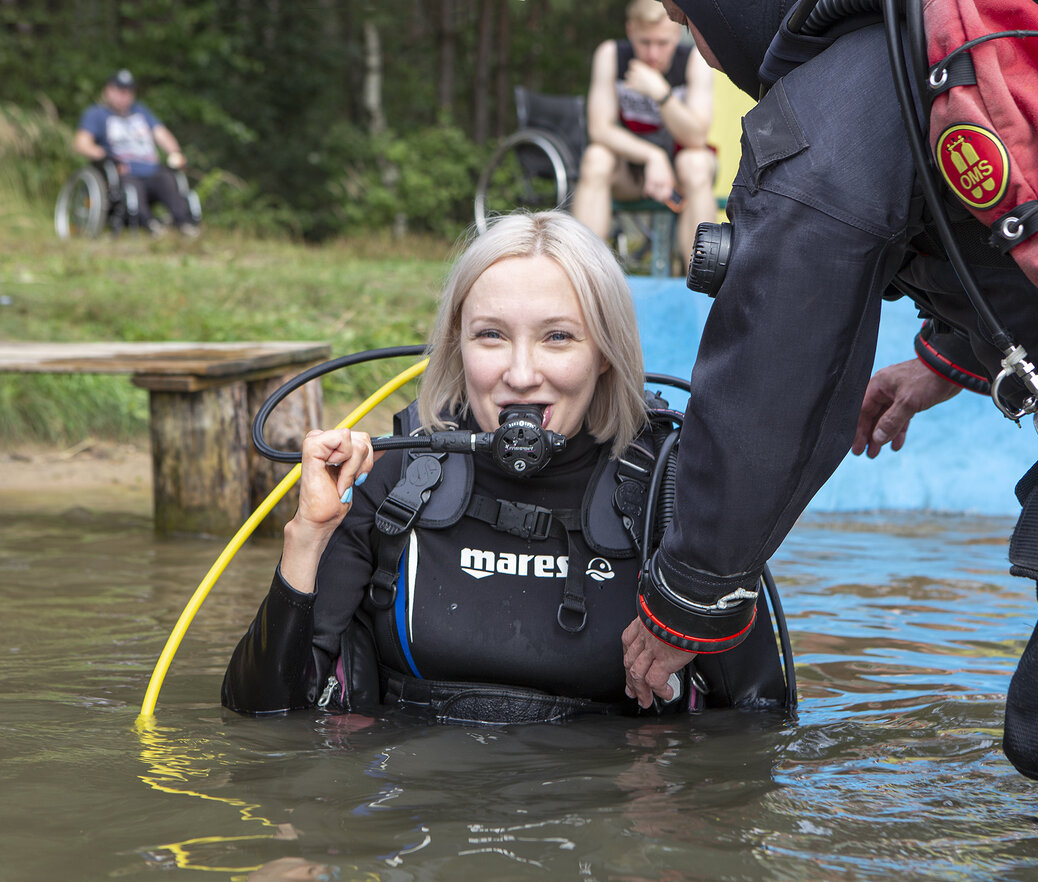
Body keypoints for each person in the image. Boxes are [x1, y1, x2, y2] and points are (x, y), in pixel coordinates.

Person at [619, 0, 1038, 845]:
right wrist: (945, 360)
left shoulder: (843, 95)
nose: (700, 54)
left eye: (688, 16)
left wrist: (691, 597)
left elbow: (776, 368)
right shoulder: (940, 40)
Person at [222, 210, 787, 724]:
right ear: (457, 346)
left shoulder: (673, 495)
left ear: (606, 354)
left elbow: (759, 725)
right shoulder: (402, 478)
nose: (520, 374)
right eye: (491, 335)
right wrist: (307, 535)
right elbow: (262, 716)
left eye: (557, 337)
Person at [572, 0, 718, 271]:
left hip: (681, 177)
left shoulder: (694, 60)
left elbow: (697, 136)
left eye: (662, 43)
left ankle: (700, 283)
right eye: (644, 42)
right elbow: (599, 129)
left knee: (695, 163)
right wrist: (652, 156)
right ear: (630, 30)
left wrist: (661, 93)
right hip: (631, 173)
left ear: (677, 32)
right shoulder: (611, 54)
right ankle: (582, 274)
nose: (653, 53)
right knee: (596, 157)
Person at [73, 69, 199, 236]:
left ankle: (185, 224)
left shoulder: (141, 111)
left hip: (152, 169)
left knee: (169, 181)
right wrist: (105, 156)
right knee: (132, 189)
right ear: (108, 91)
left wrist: (175, 153)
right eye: (120, 91)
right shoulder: (96, 114)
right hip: (122, 171)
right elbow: (81, 144)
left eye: (129, 91)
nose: (124, 96)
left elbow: (161, 134)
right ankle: (149, 225)